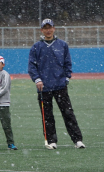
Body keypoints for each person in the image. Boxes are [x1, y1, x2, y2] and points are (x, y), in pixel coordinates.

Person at [28, 18, 85, 150]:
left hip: (60, 86)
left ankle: (77, 140)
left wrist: (66, 77)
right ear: (41, 30)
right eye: (45, 28)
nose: (48, 30)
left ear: (54, 28)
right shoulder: (36, 47)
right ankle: (51, 141)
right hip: (44, 87)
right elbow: (32, 66)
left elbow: (67, 63)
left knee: (68, 113)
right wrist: (37, 79)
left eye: (50, 27)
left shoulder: (63, 45)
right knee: (47, 115)